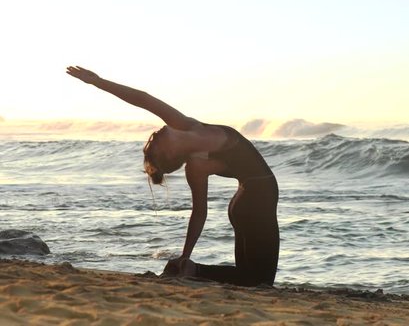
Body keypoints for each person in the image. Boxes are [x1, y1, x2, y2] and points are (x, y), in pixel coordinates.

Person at [67, 66, 279, 287]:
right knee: (260, 281)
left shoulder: (193, 151)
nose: (154, 135)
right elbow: (199, 213)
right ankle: (190, 269)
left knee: (249, 277)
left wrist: (98, 81)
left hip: (244, 202)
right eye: (155, 144)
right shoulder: (192, 144)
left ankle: (189, 269)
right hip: (257, 199)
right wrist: (98, 82)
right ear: (169, 153)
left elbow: (200, 212)